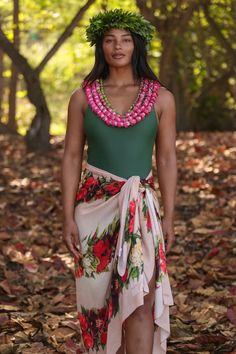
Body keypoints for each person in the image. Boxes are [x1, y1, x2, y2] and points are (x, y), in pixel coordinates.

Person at [61, 9, 177, 354]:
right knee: (99, 305)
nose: (118, 46)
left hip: (141, 209)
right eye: (110, 39)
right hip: (93, 209)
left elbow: (167, 158)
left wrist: (169, 215)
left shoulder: (161, 98)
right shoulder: (83, 97)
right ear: (101, 46)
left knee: (140, 299)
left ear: (136, 45)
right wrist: (66, 215)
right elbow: (70, 156)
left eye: (125, 40)